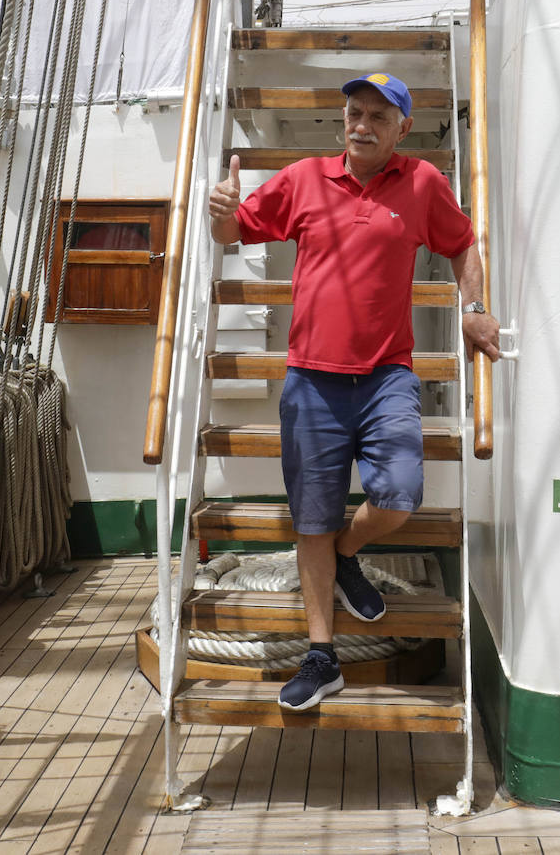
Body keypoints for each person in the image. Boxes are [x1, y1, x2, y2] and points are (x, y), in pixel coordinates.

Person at [207, 73, 501, 711]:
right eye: (353, 112)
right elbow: (233, 236)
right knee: (311, 518)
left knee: (398, 493)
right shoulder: (305, 178)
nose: (362, 124)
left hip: (387, 376)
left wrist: (474, 307)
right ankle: (322, 656)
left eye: (377, 116)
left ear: (402, 127)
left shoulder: (423, 183)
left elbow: (462, 243)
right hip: (311, 380)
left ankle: (346, 555)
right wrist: (225, 216)